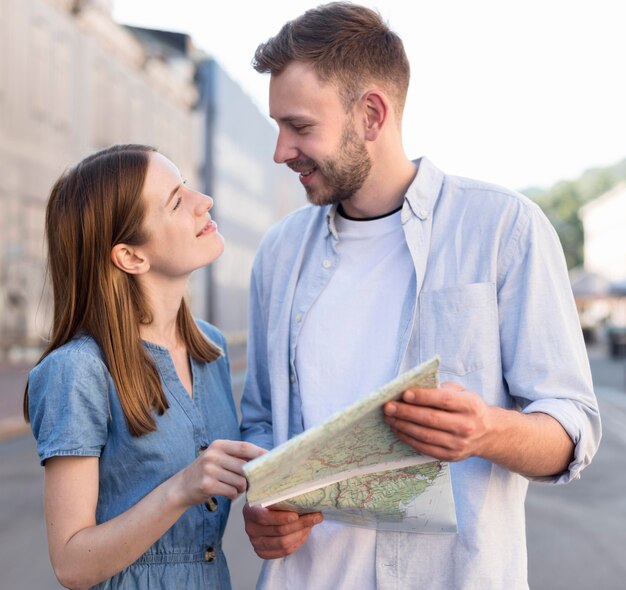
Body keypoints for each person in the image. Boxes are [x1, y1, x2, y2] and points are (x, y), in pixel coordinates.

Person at [239, 3, 601, 589]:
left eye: (300, 127)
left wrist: (486, 430)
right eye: (278, 127)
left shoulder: (503, 229)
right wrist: (261, 503)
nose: (281, 151)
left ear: (372, 114)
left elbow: (571, 426)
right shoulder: (279, 253)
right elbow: (260, 422)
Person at [23, 144, 265, 590]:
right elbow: (71, 565)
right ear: (131, 256)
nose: (203, 202)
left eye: (186, 187)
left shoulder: (210, 348)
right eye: (176, 201)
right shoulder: (77, 372)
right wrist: (181, 488)